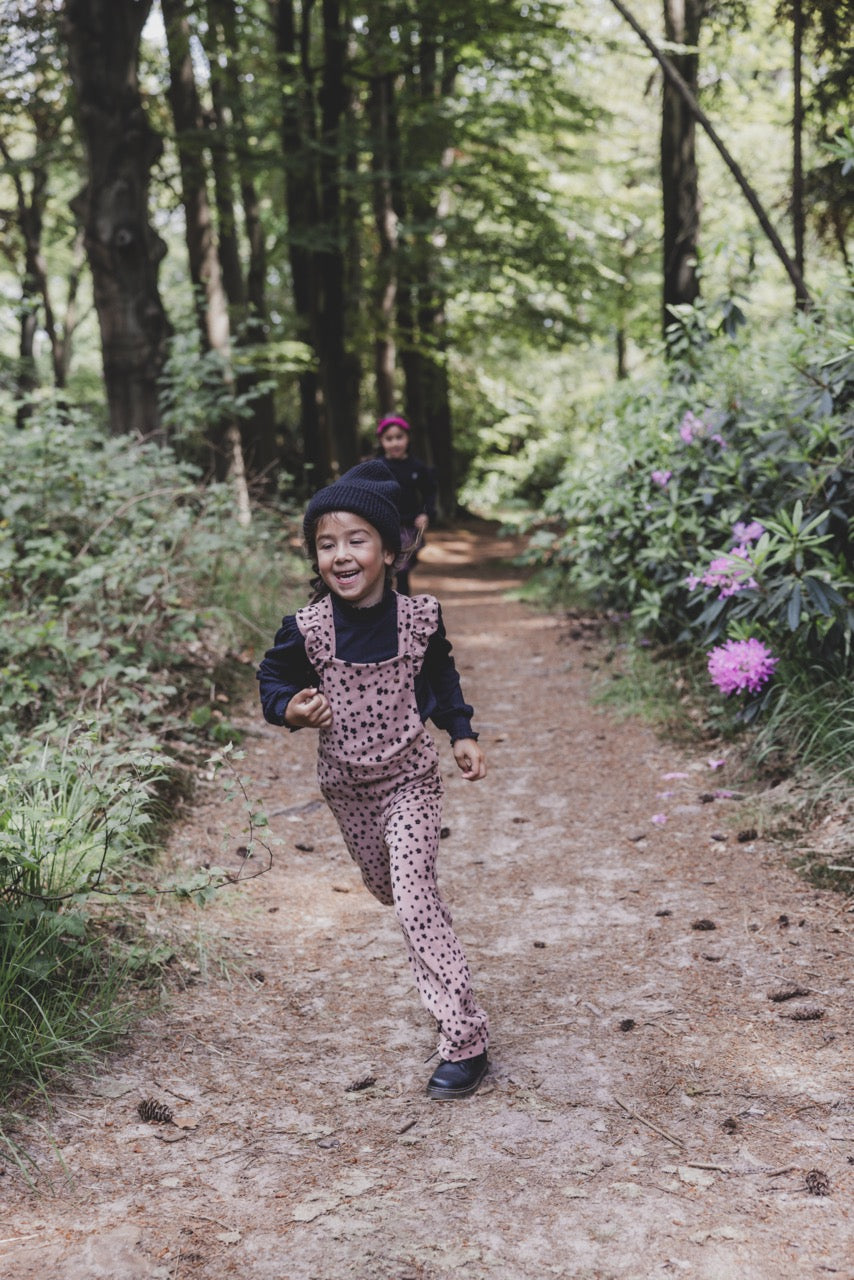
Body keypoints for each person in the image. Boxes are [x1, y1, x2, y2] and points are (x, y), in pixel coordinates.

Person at [257, 459, 490, 1100]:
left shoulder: (419, 619)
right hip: (347, 786)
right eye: (326, 543)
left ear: (389, 550)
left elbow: (440, 677)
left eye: (356, 539)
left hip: (410, 778)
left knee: (415, 899)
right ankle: (420, 925)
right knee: (386, 886)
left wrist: (461, 732)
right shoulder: (306, 629)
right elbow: (271, 684)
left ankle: (464, 1038)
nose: (341, 554)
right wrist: (291, 709)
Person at [375, 415, 437, 596]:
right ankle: (385, 607)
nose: (394, 443)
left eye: (399, 437)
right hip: (383, 525)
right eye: (389, 438)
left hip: (409, 526)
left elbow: (429, 492)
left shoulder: (417, 467)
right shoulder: (377, 466)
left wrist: (426, 514)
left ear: (407, 438)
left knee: (404, 567)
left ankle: (403, 609)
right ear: (381, 441)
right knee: (387, 568)